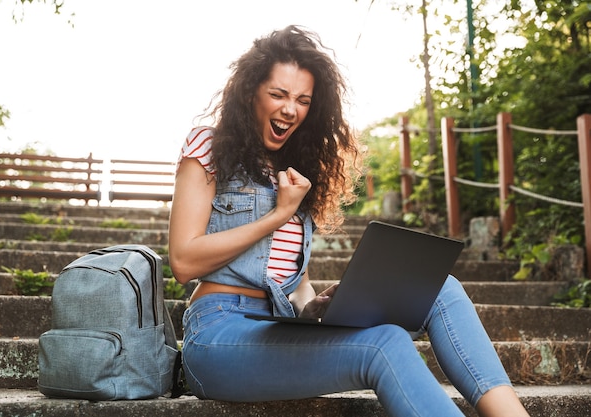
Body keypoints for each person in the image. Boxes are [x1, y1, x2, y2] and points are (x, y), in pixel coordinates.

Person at [168, 25, 530, 417]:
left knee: (440, 289)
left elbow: (297, 286)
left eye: (303, 100)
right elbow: (184, 262)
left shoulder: (296, 171)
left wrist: (319, 309)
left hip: (279, 327)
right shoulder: (209, 147)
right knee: (385, 343)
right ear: (250, 91)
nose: (290, 108)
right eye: (278, 94)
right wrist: (278, 215)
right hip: (218, 335)